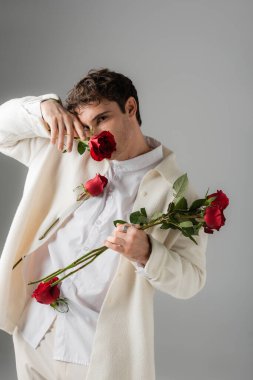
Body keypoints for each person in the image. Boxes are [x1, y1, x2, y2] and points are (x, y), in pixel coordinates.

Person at [0, 68, 208, 380]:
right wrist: (44, 107)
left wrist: (148, 254)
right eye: (86, 124)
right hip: (33, 330)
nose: (95, 134)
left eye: (102, 118)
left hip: (93, 352)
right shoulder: (67, 148)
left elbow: (192, 279)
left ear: (131, 108)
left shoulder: (176, 193)